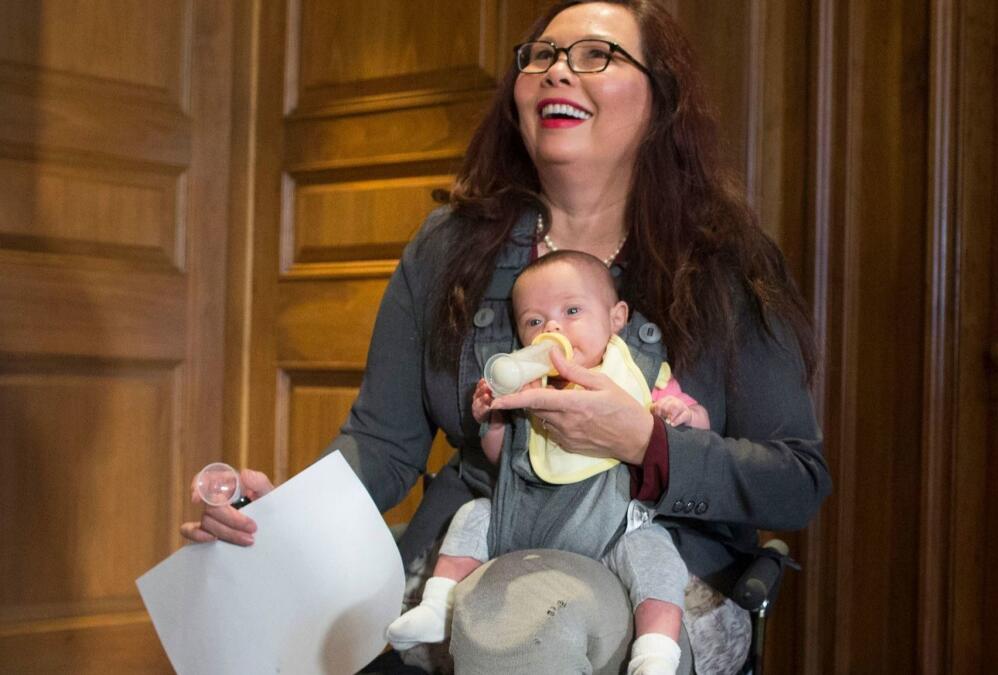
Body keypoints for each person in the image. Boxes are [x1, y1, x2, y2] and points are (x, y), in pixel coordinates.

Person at [181, 1, 832, 673]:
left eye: (595, 56)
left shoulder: (724, 262)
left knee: (521, 627)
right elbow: (381, 444)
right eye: (542, 55)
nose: (556, 73)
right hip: (469, 554)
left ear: (660, 99)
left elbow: (796, 481)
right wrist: (278, 515)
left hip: (654, 583)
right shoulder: (449, 246)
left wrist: (642, 441)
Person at [386, 251, 708, 675]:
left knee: (656, 554)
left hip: (608, 532)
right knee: (472, 515)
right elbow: (506, 458)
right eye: (534, 321)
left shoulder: (641, 374)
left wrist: (679, 418)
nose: (552, 327)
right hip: (522, 525)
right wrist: (494, 420)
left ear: (616, 318)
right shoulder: (527, 384)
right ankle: (438, 602)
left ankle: (656, 653)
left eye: (572, 311)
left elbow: (695, 429)